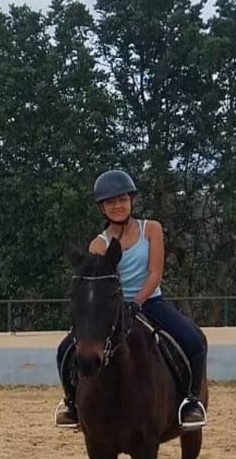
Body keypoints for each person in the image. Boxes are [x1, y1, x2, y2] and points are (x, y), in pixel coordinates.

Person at [55, 169, 208, 430]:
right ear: (102, 208)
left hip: (150, 302)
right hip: (113, 310)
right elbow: (98, 287)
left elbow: (155, 273)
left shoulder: (151, 229)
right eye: (110, 202)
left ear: (131, 201)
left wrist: (136, 302)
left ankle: (191, 402)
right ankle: (72, 403)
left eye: (122, 199)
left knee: (195, 340)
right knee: (65, 350)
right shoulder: (98, 245)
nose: (117, 206)